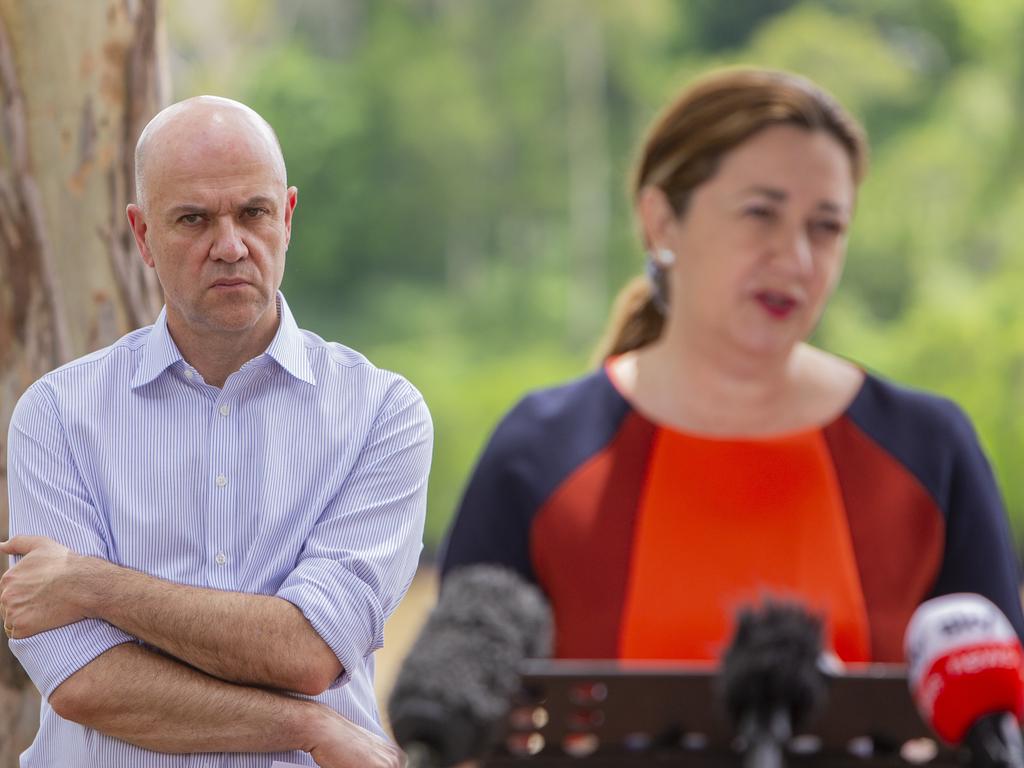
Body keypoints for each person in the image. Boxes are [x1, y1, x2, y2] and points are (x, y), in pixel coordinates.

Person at [440, 68, 1024, 665]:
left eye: (826, 228)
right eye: (760, 213)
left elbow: (1004, 724)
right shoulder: (539, 451)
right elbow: (458, 722)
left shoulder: (931, 449)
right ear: (661, 221)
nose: (796, 258)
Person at [0, 96, 431, 767]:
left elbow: (306, 651)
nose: (229, 246)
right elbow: (86, 684)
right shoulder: (57, 416)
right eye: (193, 219)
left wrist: (93, 584)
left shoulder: (382, 414)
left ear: (287, 218)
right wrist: (312, 729)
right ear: (142, 236)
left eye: (253, 213)